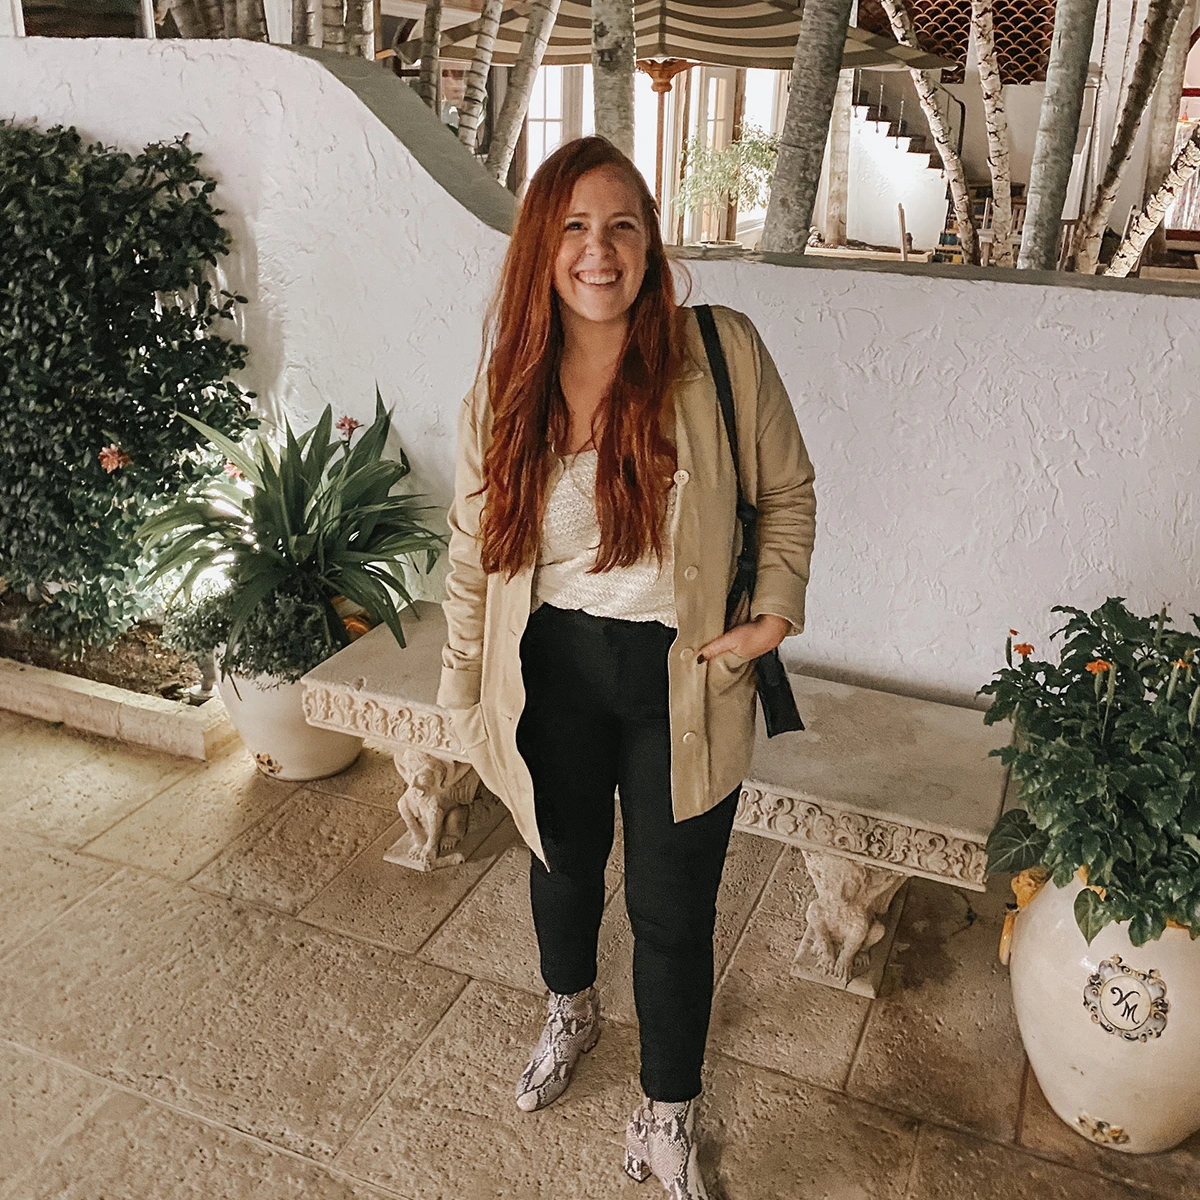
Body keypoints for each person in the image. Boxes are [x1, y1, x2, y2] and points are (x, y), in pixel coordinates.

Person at [438, 135, 816, 1198]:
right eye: (573, 227)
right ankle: (571, 1008)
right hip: (546, 669)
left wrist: (772, 613)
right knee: (561, 866)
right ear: (541, 247)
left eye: (621, 226)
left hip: (679, 675)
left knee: (670, 908)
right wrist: (462, 690)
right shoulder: (507, 388)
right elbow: (470, 554)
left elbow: (787, 492)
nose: (597, 251)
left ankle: (667, 1113)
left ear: (650, 242)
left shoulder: (718, 352)